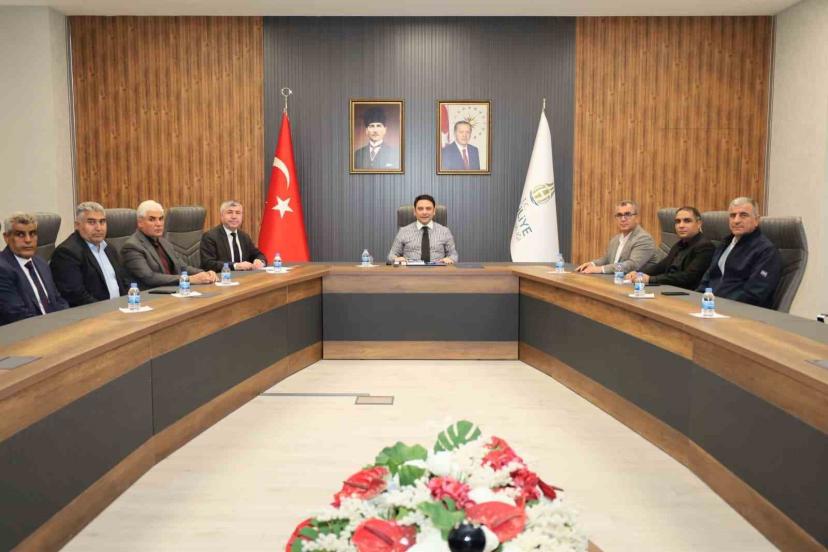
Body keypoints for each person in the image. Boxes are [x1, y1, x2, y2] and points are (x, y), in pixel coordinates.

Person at [697, 197, 781, 308]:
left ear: (756, 220)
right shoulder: (725, 243)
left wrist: (719, 305)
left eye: (743, 215)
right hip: (710, 306)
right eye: (732, 216)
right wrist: (696, 299)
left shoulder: (766, 251)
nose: (736, 221)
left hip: (739, 311)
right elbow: (708, 278)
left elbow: (754, 294)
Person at [121, 200, 217, 289]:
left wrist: (204, 273)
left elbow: (182, 267)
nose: (158, 224)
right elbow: (149, 277)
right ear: (140, 223)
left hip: (172, 291)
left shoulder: (164, 242)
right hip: (148, 296)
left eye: (161, 219)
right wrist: (189, 279)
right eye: (152, 219)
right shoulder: (132, 247)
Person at [50, 202, 130, 306]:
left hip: (120, 308)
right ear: (77, 225)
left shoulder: (109, 248)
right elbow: (76, 296)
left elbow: (124, 280)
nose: (99, 228)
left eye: (102, 222)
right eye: (91, 222)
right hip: (94, 312)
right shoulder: (67, 253)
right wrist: (107, 310)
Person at [624, 206, 715, 289]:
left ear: (699, 224)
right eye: (678, 221)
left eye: (687, 221)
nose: (681, 225)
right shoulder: (679, 244)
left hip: (686, 294)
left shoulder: (705, 247)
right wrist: (639, 273)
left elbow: (688, 277)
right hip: (669, 288)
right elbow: (661, 266)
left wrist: (650, 279)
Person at [0, 212, 69, 322]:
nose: (28, 240)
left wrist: (67, 320)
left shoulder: (41, 263)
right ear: (6, 237)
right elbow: (16, 314)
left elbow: (57, 300)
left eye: (32, 234)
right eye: (20, 235)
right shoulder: (3, 268)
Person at [575, 200, 658, 274]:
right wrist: (593, 264)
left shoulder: (644, 239)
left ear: (636, 218)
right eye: (619, 215)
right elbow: (607, 259)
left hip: (637, 284)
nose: (623, 219)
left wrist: (601, 269)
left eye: (627, 214)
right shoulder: (616, 239)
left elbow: (632, 265)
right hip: (616, 281)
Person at [388, 194, 458, 264]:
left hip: (437, 269)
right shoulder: (403, 231)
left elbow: (454, 256)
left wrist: (450, 259)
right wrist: (396, 259)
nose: (424, 212)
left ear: (434, 211)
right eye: (420, 209)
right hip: (410, 269)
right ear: (414, 212)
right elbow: (391, 256)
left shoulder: (445, 231)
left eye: (428, 208)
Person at [200, 200, 267, 272]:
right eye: (229, 212)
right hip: (223, 277)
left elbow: (259, 255)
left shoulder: (244, 237)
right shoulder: (210, 237)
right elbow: (208, 264)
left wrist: (260, 261)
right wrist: (235, 266)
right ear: (222, 216)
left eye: (238, 213)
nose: (234, 216)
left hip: (245, 277)